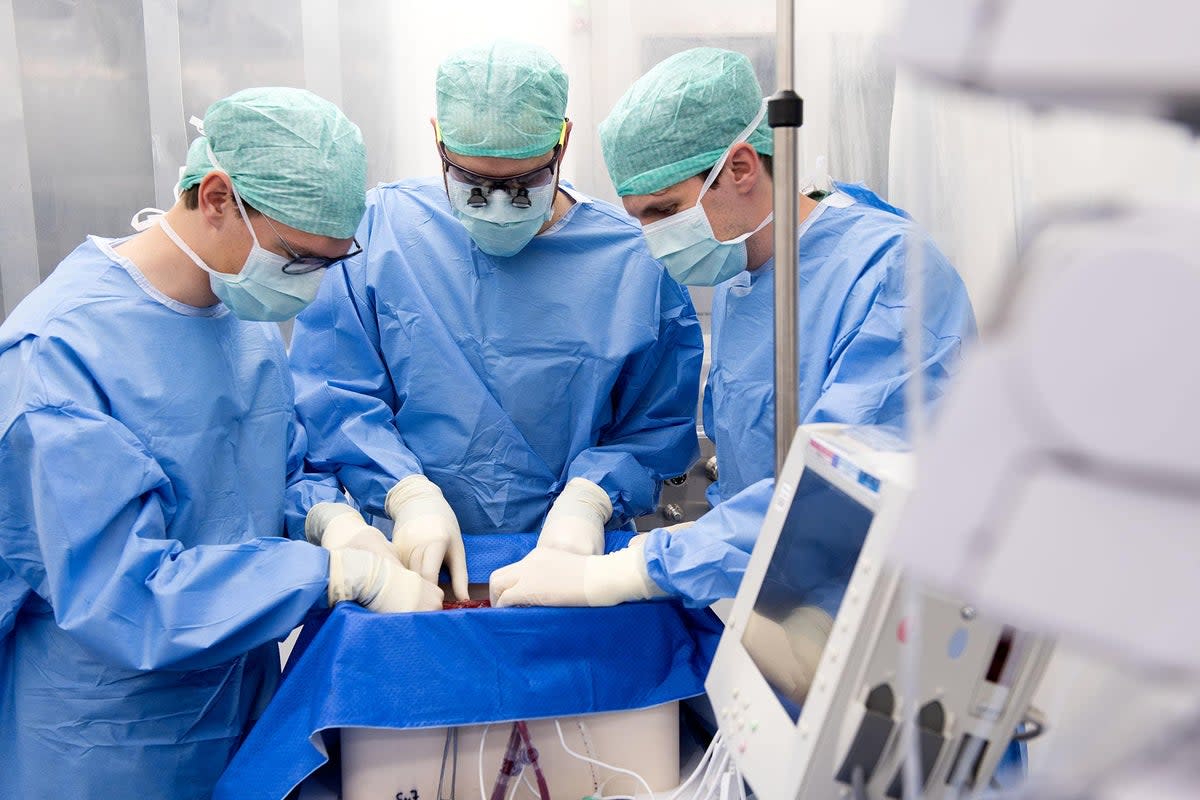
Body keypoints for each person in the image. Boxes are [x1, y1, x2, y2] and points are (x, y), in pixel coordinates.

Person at [0, 87, 442, 800]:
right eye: (298, 260)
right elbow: (125, 595)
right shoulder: (60, 358)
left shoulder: (239, 310)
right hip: (109, 740)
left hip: (241, 702)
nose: (308, 287)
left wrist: (330, 518)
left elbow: (271, 463)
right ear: (215, 198)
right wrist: (328, 575)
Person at [491, 48, 976, 609]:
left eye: (663, 210)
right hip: (762, 586)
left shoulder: (894, 275)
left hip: (861, 610)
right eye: (639, 218)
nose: (652, 237)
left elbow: (846, 490)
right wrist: (699, 538)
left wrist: (638, 569)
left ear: (741, 168)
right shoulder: (739, 271)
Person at [291, 40, 703, 600]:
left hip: (572, 566)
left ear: (563, 140)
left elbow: (653, 423)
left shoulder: (635, 260)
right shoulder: (380, 232)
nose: (501, 205)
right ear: (437, 140)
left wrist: (589, 500)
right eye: (474, 185)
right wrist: (406, 496)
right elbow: (337, 394)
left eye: (524, 184)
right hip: (414, 565)